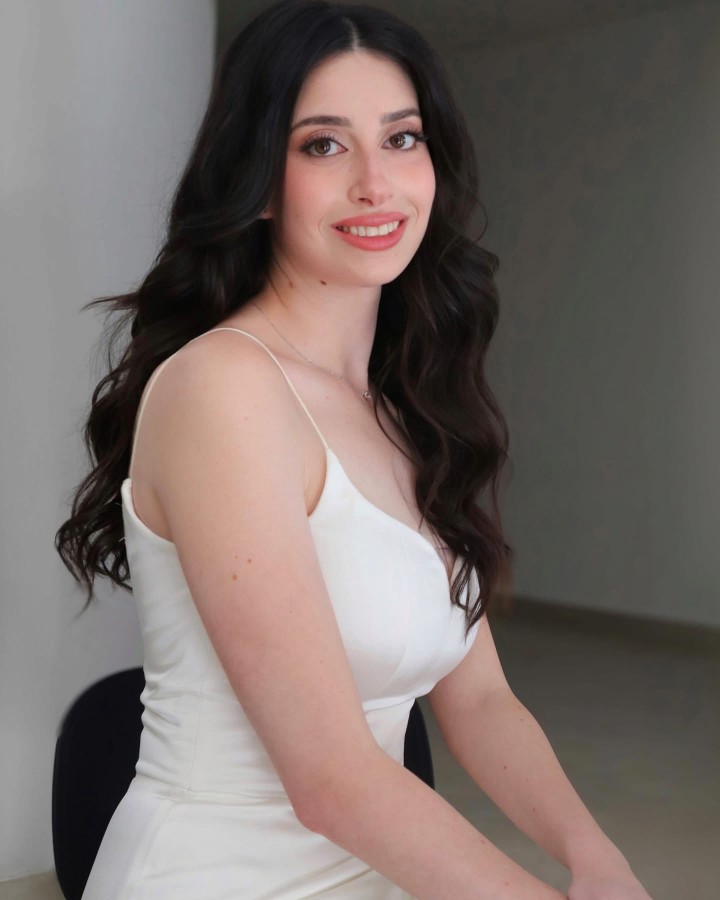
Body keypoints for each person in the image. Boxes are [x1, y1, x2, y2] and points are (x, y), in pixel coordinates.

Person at [55, 1, 654, 897]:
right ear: (259, 181)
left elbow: (480, 699)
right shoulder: (223, 389)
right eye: (324, 145)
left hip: (374, 872)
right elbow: (331, 779)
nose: (377, 183)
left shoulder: (401, 408)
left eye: (402, 139)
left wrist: (593, 853)